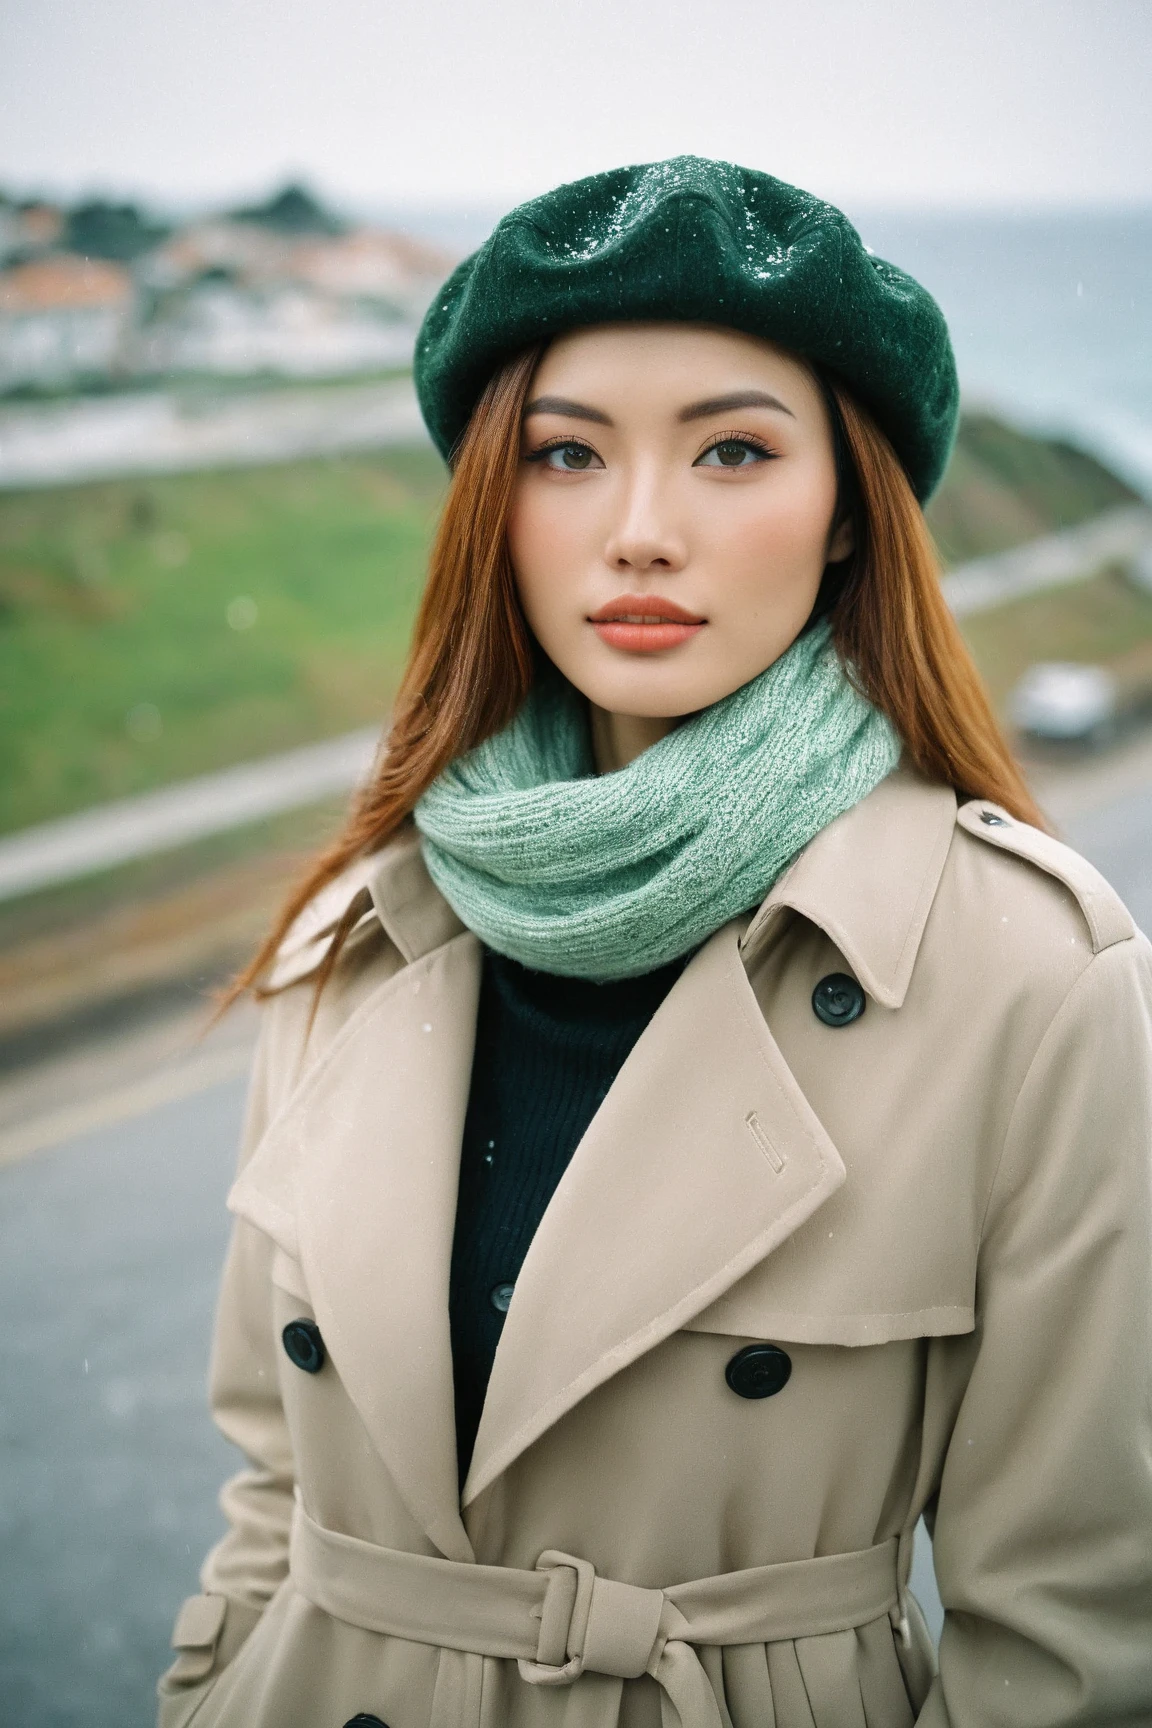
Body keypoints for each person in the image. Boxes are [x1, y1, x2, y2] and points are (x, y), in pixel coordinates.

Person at [158, 158, 1152, 1728]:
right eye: (566, 455)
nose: (638, 531)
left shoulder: (1030, 977)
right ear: (497, 506)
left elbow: (1078, 1638)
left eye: (735, 452)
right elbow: (273, 1485)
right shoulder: (360, 931)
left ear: (845, 519)